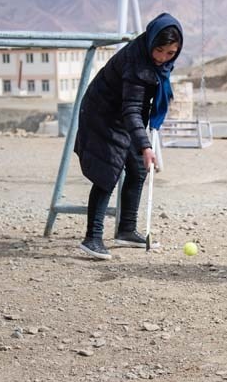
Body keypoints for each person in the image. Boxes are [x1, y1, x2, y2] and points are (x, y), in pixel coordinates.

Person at [74, 13, 183, 260]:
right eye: (160, 51)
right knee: (107, 172)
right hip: (102, 113)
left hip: (124, 116)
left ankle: (126, 229)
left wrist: (142, 142)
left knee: (137, 170)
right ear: (151, 42)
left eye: (170, 53)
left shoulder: (154, 61)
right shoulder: (137, 64)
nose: (163, 58)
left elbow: (138, 106)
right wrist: (145, 146)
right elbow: (132, 108)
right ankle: (92, 238)